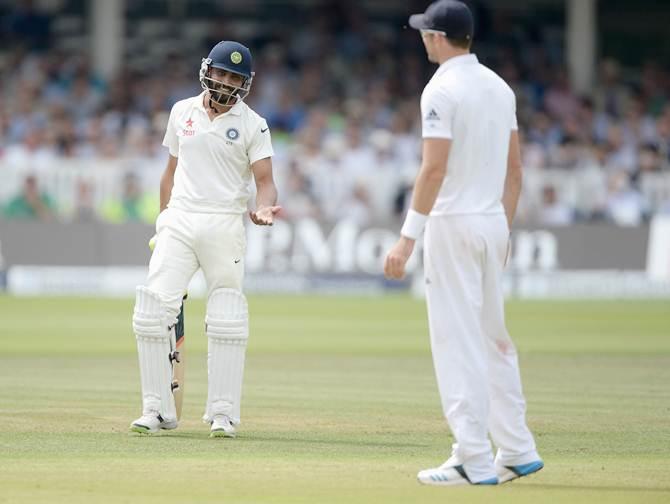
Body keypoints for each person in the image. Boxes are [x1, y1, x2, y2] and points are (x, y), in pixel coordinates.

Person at [384, 0, 543, 486]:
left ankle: (472, 457)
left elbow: (434, 168)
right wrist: (504, 226)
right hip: (492, 222)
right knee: (494, 337)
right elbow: (514, 171)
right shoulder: (498, 86)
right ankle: (515, 448)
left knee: (457, 342)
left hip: (454, 222)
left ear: (436, 37)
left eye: (424, 34)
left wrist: (406, 240)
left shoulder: (441, 89)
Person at [130, 40, 280, 438]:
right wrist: (163, 220)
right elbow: (169, 172)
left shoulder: (254, 124)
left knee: (226, 316)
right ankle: (155, 410)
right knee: (151, 311)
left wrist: (264, 209)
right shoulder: (182, 111)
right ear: (207, 71)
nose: (226, 82)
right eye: (221, 73)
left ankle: (223, 414)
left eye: (235, 77)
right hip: (179, 219)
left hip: (224, 222)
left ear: (245, 83)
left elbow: (265, 183)